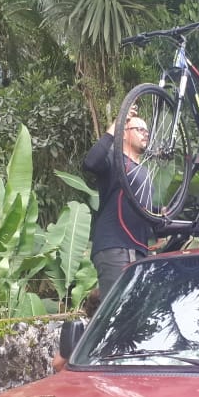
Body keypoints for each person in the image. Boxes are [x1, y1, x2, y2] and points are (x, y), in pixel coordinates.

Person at [82, 115, 153, 297]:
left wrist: (160, 213)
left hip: (139, 251)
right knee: (118, 314)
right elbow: (91, 162)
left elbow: (142, 209)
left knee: (135, 316)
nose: (145, 134)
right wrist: (119, 122)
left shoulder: (145, 170)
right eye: (139, 130)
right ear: (124, 134)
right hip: (115, 247)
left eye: (147, 130)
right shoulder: (115, 159)